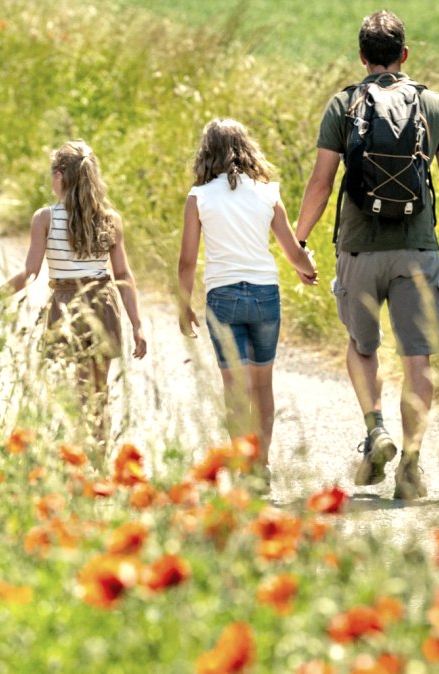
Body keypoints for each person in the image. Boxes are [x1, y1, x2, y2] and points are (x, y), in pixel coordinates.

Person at [293, 10, 439, 500]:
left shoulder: (344, 104)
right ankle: (412, 466)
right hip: (417, 251)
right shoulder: (433, 105)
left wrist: (299, 240)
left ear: (361, 56)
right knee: (417, 358)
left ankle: (375, 430)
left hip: (358, 248)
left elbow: (321, 182)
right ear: (404, 53)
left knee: (362, 346)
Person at [177, 119, 318, 482]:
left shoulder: (200, 197)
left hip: (222, 296)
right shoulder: (267, 193)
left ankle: (242, 465)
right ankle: (263, 464)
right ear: (246, 148)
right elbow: (291, 250)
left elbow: (187, 260)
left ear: (206, 153)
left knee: (234, 388)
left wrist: (183, 305)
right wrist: (309, 267)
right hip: (264, 294)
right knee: (262, 385)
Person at [2, 141, 146, 443]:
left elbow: (29, 273)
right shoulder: (109, 219)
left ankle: (76, 457)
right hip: (103, 302)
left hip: (66, 305)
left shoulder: (45, 218)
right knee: (97, 391)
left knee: (73, 390)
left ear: (59, 176)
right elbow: (123, 275)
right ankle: (97, 460)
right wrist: (137, 324)